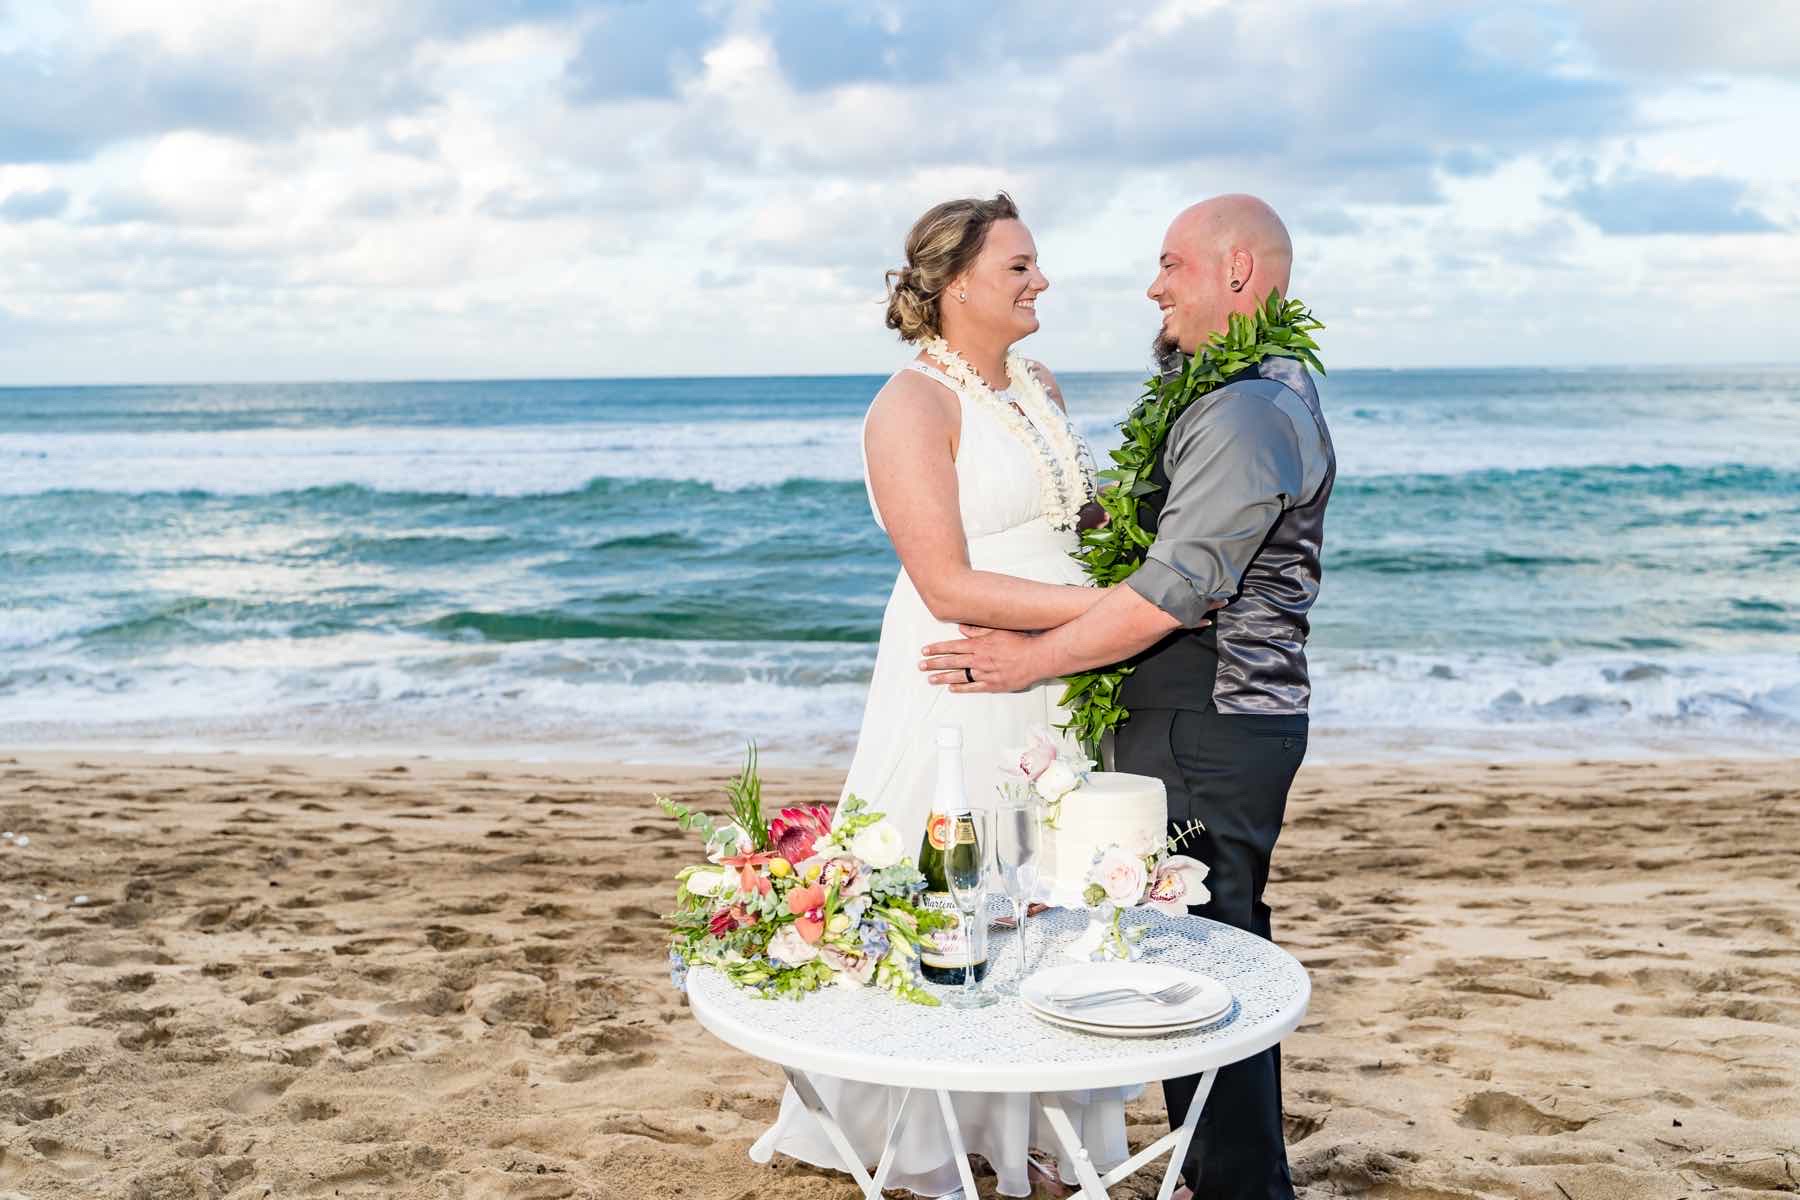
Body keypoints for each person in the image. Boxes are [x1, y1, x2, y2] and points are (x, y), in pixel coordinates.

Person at [916, 194, 1335, 1200]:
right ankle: (1218, 1169)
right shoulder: (1229, 396)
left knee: (1211, 952)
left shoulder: (1246, 410)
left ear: (1238, 272)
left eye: (1171, 265)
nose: (1153, 286)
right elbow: (1144, 548)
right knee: (1203, 935)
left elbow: (1171, 591)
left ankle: (1241, 1185)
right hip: (1198, 716)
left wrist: (1031, 659)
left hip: (1212, 720)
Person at [751, 192, 1135, 1197]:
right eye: (1019, 266)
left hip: (1054, 665)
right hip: (965, 666)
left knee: (1054, 882)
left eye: (1036, 262)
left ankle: (1040, 1129)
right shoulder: (911, 407)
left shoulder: (1039, 382)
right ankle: (933, 1135)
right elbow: (945, 582)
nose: (1040, 279)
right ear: (956, 281)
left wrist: (1123, 587)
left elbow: (1079, 518)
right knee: (950, 880)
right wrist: (1108, 606)